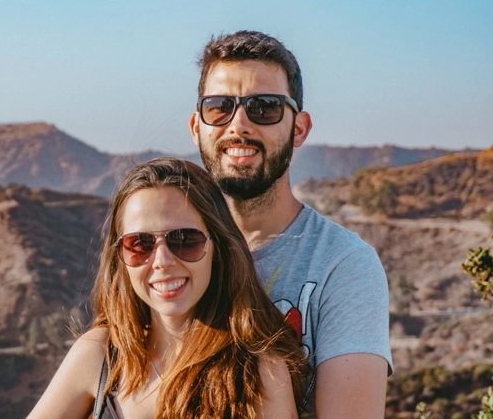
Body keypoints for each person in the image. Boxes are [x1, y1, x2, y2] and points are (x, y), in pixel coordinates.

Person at [189, 30, 392, 418]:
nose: (239, 125)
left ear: (299, 128)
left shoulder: (344, 265)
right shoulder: (165, 253)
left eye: (264, 107)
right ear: (197, 126)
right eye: (220, 107)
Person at [28, 157, 306, 419]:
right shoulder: (100, 356)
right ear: (120, 258)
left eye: (185, 240)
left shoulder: (260, 373)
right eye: (140, 244)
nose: (162, 261)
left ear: (217, 248)